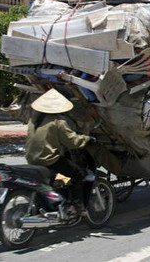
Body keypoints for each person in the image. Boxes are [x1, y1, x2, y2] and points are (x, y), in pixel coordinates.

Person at [25, 88, 95, 216]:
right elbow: (72, 141)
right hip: (48, 160)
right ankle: (76, 206)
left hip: (31, 158)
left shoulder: (34, 119)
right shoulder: (58, 122)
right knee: (78, 174)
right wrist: (87, 139)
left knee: (59, 176)